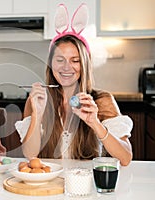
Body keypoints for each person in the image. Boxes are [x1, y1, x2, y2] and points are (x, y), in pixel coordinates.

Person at [15, 4, 132, 166]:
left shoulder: (102, 100)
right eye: (60, 60)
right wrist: (37, 114)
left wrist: (95, 123)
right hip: (50, 184)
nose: (66, 67)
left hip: (87, 185)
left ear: (84, 64)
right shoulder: (37, 99)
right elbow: (30, 154)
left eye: (75, 61)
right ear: (50, 64)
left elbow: (125, 158)